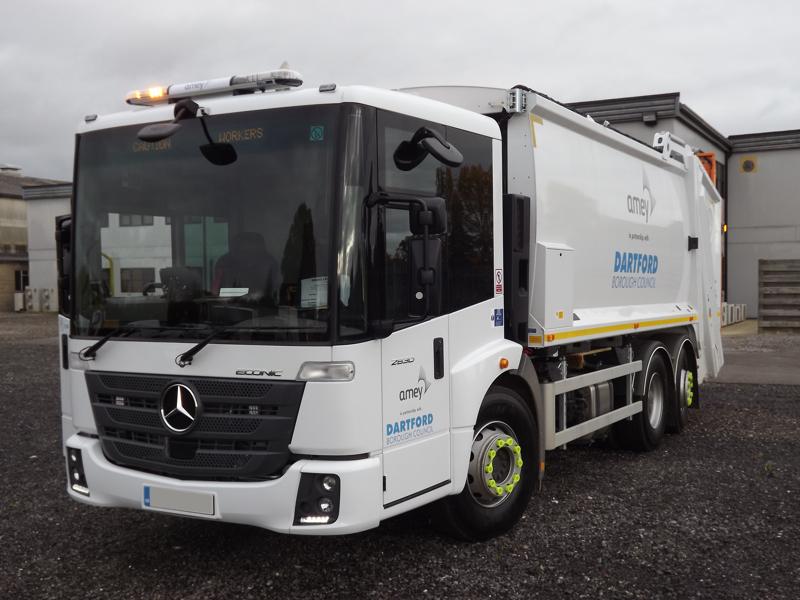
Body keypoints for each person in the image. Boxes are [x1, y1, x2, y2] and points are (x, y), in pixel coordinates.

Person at [211, 231, 279, 304]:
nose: (250, 248)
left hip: (265, 308)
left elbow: (274, 290)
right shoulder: (224, 263)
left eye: (253, 245)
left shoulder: (269, 263)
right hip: (231, 308)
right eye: (245, 245)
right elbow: (216, 292)